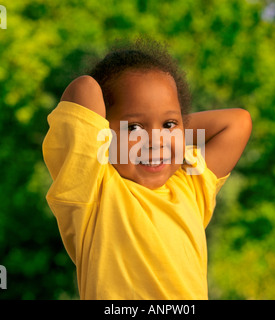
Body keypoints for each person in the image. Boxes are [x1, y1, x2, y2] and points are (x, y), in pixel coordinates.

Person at [42, 38, 252, 300]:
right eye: (134, 128)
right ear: (102, 134)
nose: (154, 140)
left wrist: (170, 133)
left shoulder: (188, 185)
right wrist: (162, 127)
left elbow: (237, 122)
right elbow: (85, 88)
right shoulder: (93, 188)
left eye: (169, 123)